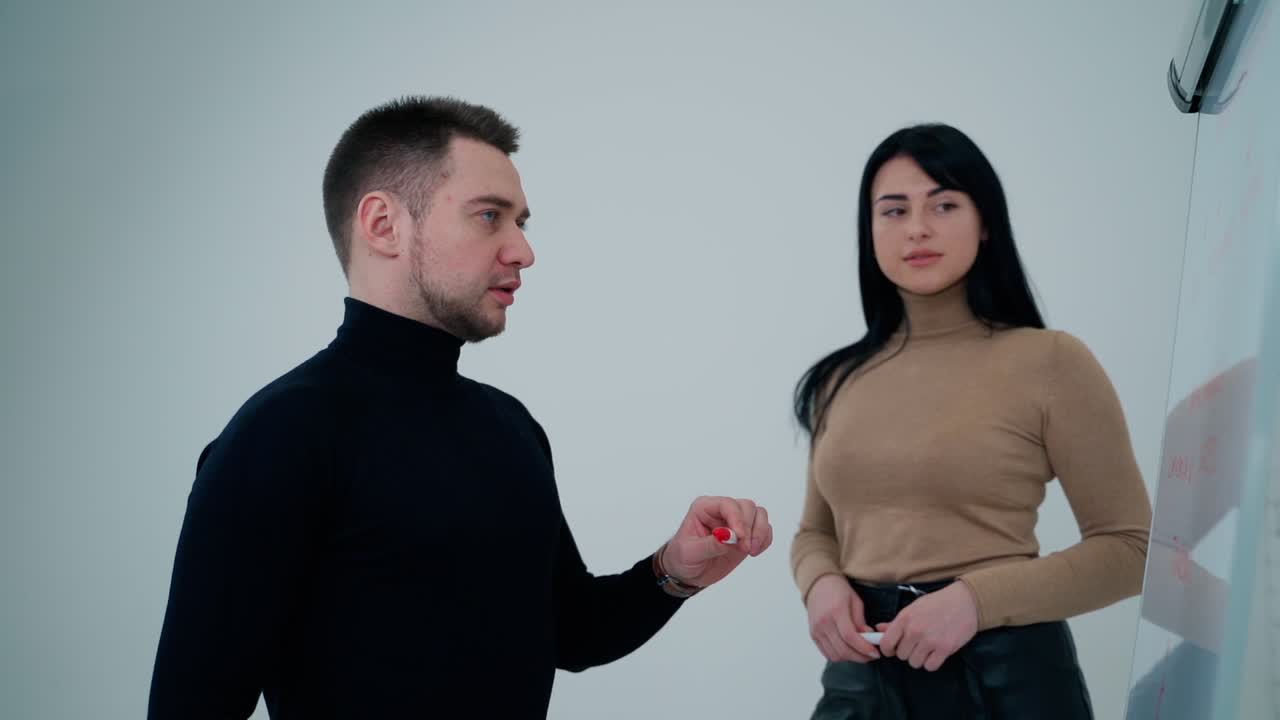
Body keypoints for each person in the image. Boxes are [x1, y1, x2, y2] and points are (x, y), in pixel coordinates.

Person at [148, 96, 773, 719]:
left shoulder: (508, 426)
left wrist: (673, 570)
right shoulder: (280, 435)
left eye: (521, 222)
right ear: (383, 225)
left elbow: (572, 631)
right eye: (488, 216)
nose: (522, 251)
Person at [790, 123, 1152, 719]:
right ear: (869, 231)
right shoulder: (837, 381)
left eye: (944, 204)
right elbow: (815, 533)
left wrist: (974, 602)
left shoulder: (1051, 361)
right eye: (894, 210)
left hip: (1006, 679)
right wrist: (821, 584)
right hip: (862, 685)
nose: (917, 228)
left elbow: (1132, 548)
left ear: (986, 223)